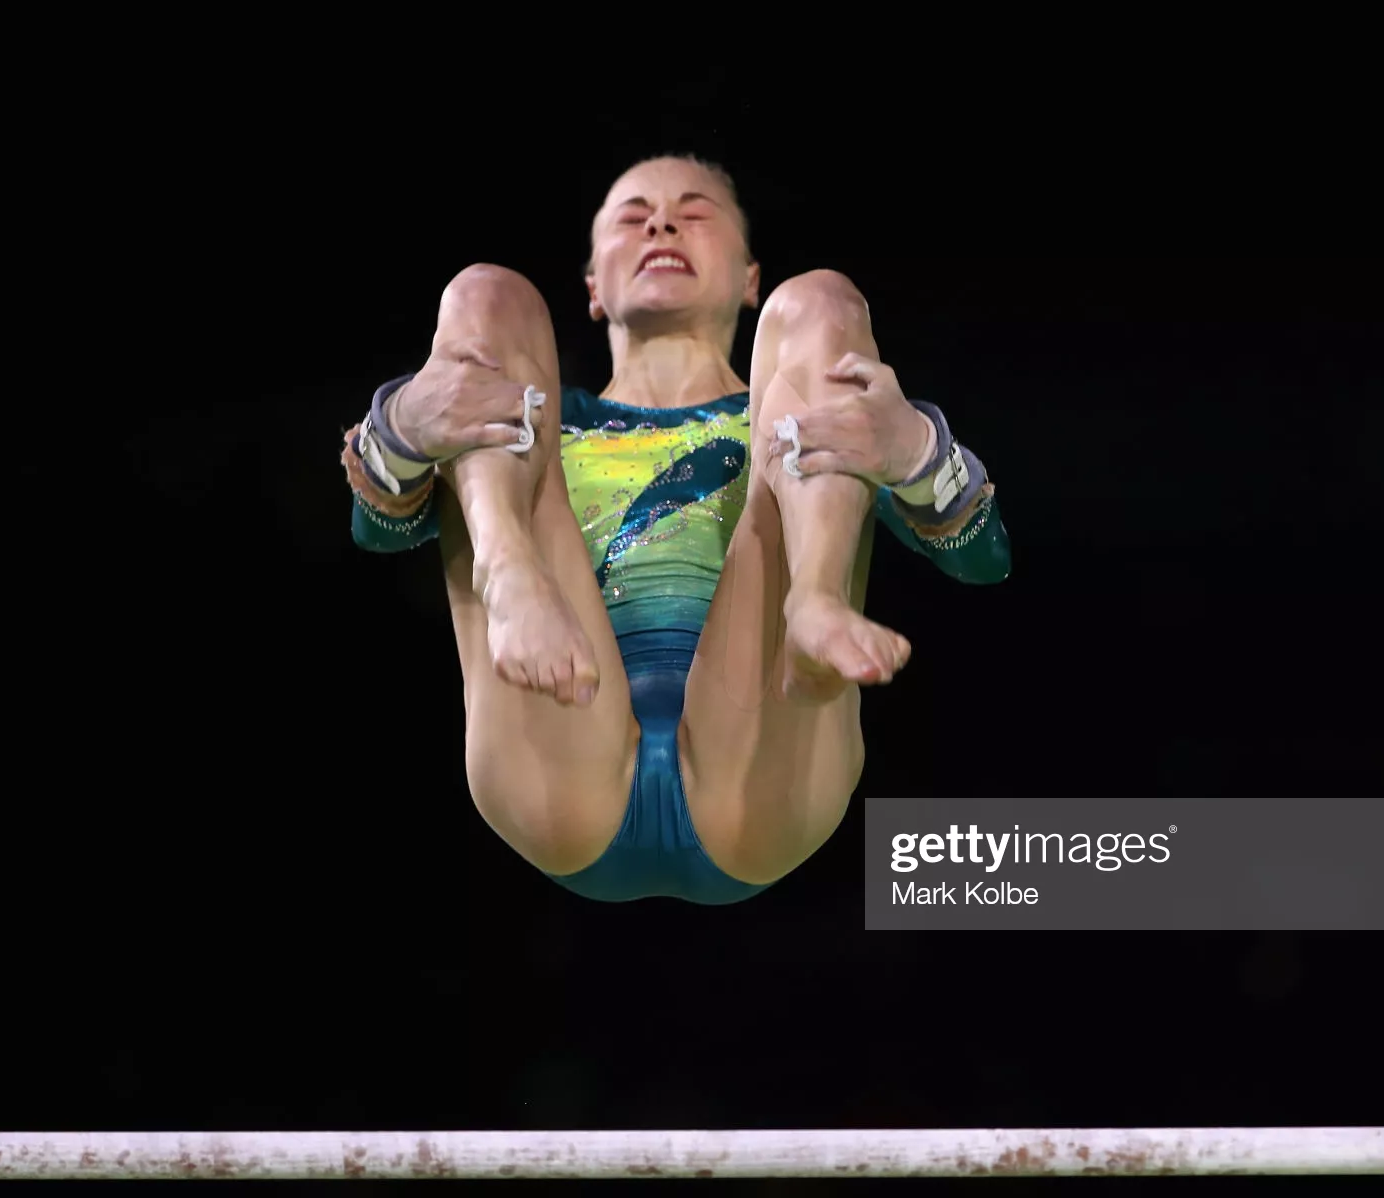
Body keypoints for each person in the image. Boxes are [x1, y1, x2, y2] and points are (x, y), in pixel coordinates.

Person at [340, 155, 1011, 904]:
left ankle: (814, 597)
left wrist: (918, 451)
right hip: (553, 753)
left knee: (821, 303)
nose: (661, 223)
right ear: (593, 289)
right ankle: (508, 571)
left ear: (749, 279)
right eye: (633, 217)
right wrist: (404, 425)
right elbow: (380, 530)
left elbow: (982, 557)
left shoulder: (805, 411)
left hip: (761, 759)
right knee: (487, 297)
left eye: (695, 212)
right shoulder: (536, 419)